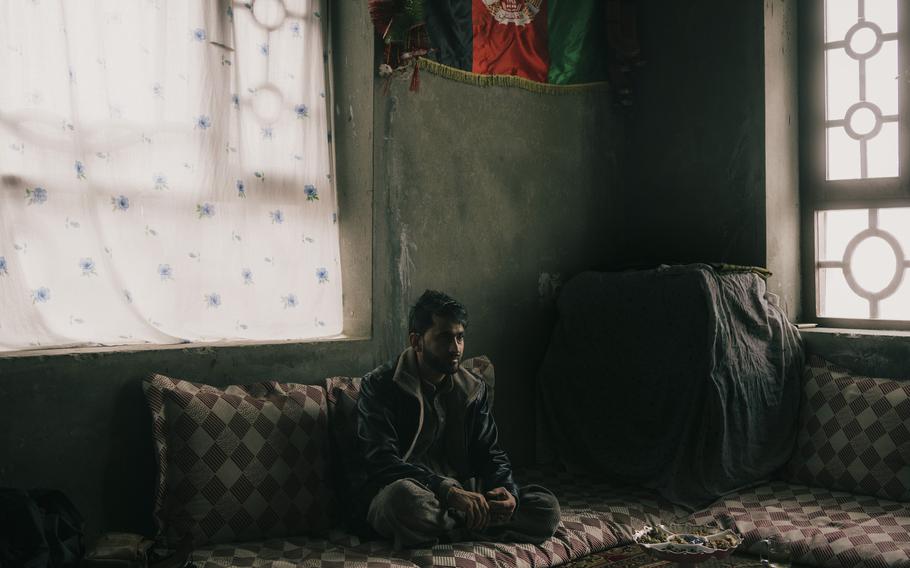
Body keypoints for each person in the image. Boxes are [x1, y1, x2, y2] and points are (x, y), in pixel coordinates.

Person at [350, 289, 561, 549]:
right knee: (403, 500)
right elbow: (380, 462)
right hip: (413, 493)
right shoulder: (380, 385)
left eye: (460, 338)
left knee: (546, 508)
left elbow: (490, 452)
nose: (455, 348)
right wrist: (448, 492)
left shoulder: (472, 387)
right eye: (444, 338)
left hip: (465, 494)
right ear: (416, 341)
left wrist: (507, 491)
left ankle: (456, 527)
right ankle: (473, 525)